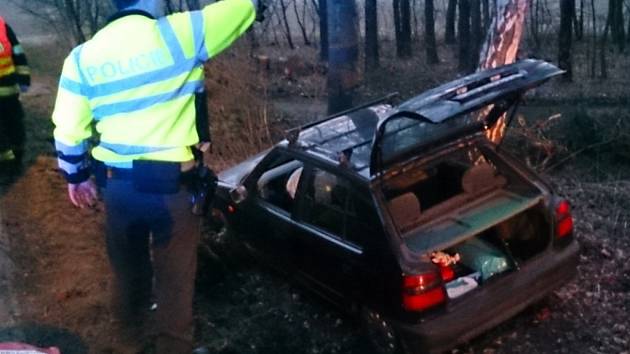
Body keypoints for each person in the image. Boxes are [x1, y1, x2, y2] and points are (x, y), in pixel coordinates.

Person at [50, 0, 259, 353]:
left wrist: (77, 177)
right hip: (173, 189)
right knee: (174, 281)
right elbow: (244, 6)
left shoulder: (81, 59)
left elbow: (68, 132)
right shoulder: (183, 32)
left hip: (117, 187)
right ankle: (172, 347)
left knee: (127, 270)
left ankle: (128, 340)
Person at [0, 15, 30, 169]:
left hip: (9, 90)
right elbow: (19, 54)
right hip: (10, 89)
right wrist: (24, 79)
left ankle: (10, 161)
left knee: (11, 124)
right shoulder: (3, 27)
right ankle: (14, 158)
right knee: (13, 123)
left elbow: (17, 53)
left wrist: (24, 79)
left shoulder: (4, 27)